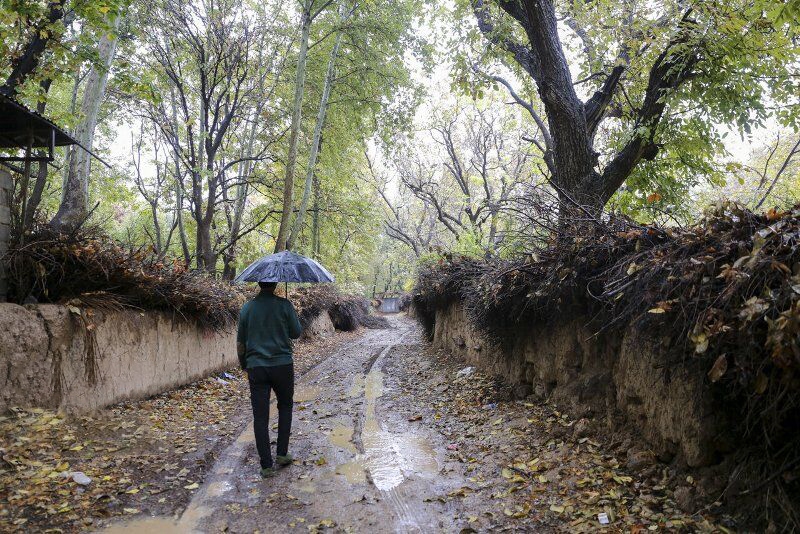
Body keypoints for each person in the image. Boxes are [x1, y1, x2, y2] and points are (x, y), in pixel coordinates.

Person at [237, 281, 303, 478]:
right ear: (275, 283)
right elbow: (296, 333)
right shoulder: (284, 305)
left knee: (260, 416)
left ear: (259, 283)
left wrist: (244, 364)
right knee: (285, 407)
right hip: (282, 366)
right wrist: (286, 313)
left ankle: (266, 466)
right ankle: (282, 454)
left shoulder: (247, 308)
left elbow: (241, 342)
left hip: (257, 367)